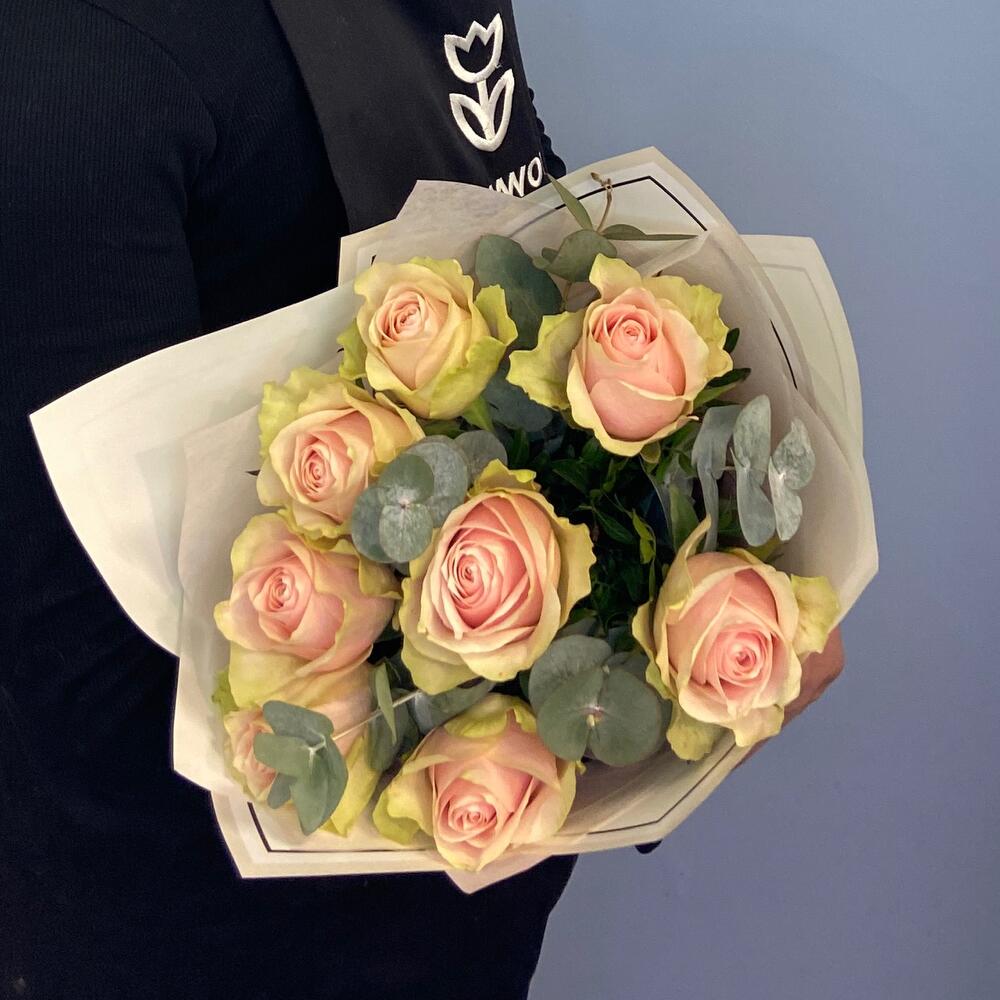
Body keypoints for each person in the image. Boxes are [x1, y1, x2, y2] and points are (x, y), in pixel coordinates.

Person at [0, 2, 843, 998]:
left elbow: (528, 254)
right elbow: (82, 687)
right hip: (217, 938)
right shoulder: (70, 66)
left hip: (457, 895)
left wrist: (677, 659)